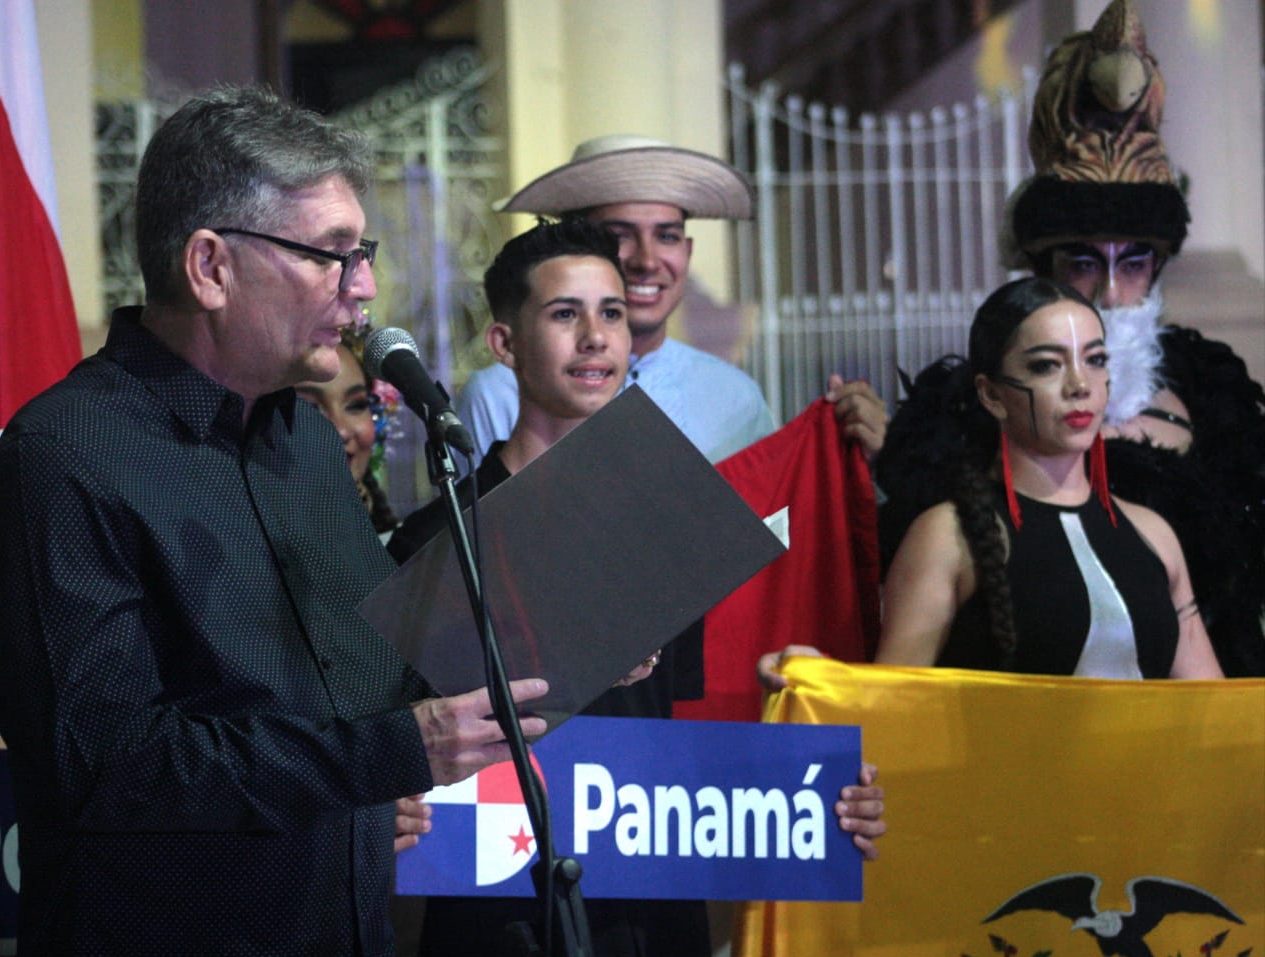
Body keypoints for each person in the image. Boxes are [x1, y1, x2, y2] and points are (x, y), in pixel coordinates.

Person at [0, 85, 549, 957]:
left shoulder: (304, 441)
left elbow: (370, 672)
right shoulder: (61, 457)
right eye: (333, 254)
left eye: (363, 254)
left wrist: (546, 629)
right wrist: (384, 753)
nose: (365, 288)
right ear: (210, 266)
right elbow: (110, 768)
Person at [393, 220, 885, 957]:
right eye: (565, 313)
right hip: (499, 921)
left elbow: (678, 743)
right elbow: (400, 757)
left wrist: (819, 793)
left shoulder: (671, 522)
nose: (596, 337)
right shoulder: (440, 541)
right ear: (504, 343)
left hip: (649, 922)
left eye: (612, 312)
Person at [1000, 0, 1265, 676]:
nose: (1111, 293)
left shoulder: (1214, 394)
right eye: (1084, 262)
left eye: (1134, 261)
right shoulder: (986, 404)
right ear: (1045, 267)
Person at [456, 135, 889, 466]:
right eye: (619, 235)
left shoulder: (734, 395)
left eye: (667, 236)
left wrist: (850, 456)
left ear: (687, 252)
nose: (647, 261)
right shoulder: (497, 394)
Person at [872, 277, 1222, 679]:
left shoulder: (1155, 534)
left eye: (1095, 360)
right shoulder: (945, 537)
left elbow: (1212, 702)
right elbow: (893, 701)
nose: (1079, 385)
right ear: (991, 395)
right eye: (1046, 365)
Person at [296, 317, 401, 536]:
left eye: (356, 405)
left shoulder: (405, 546)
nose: (341, 431)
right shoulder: (244, 546)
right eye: (310, 408)